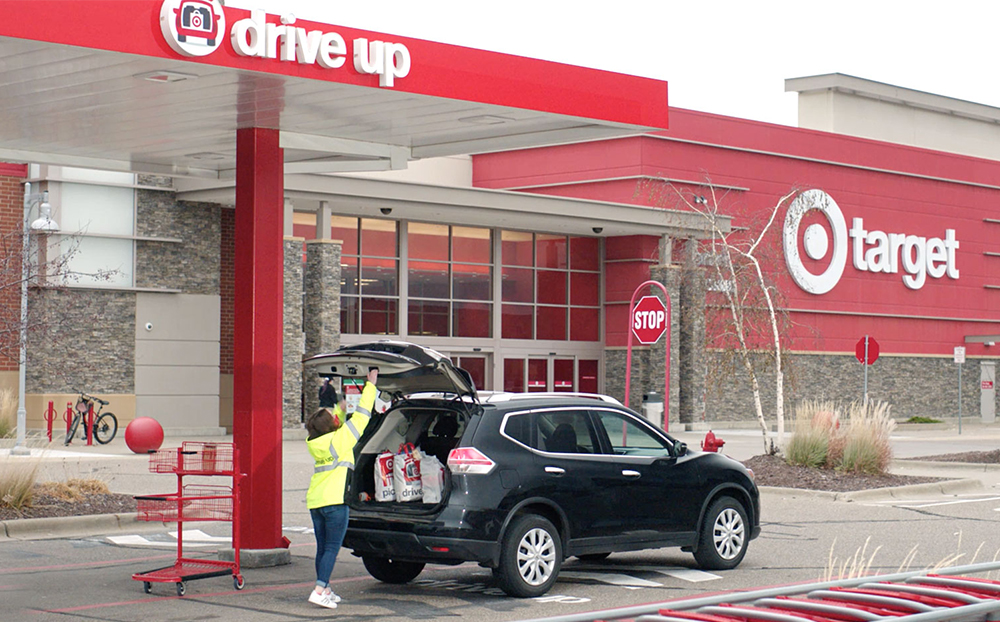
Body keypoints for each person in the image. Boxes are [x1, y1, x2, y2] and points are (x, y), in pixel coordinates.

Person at [304, 368, 378, 609]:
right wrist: (371, 385)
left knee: (323, 549)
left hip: (317, 502)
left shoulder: (315, 441)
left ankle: (325, 588)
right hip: (336, 501)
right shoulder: (342, 439)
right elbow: (363, 416)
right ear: (332, 424)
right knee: (332, 549)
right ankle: (318, 589)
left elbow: (331, 421)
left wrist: (341, 406)